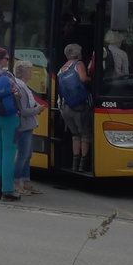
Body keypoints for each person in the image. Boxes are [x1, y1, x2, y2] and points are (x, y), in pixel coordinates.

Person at [0, 46, 21, 201]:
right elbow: (18, 92)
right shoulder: (7, 75)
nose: (7, 61)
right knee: (9, 153)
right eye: (6, 58)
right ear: (1, 60)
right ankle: (8, 190)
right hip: (10, 118)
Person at [13, 59, 45, 195]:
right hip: (24, 126)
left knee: (27, 155)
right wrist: (38, 110)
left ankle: (26, 182)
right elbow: (24, 111)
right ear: (23, 73)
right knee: (23, 155)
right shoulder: (20, 87)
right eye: (29, 70)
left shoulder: (22, 85)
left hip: (26, 126)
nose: (31, 73)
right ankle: (15, 183)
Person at [59, 43, 93, 172]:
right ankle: (82, 165)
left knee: (75, 135)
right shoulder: (78, 64)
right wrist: (91, 79)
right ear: (78, 53)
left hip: (66, 107)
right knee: (85, 134)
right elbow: (83, 79)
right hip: (80, 105)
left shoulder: (62, 68)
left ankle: (74, 162)